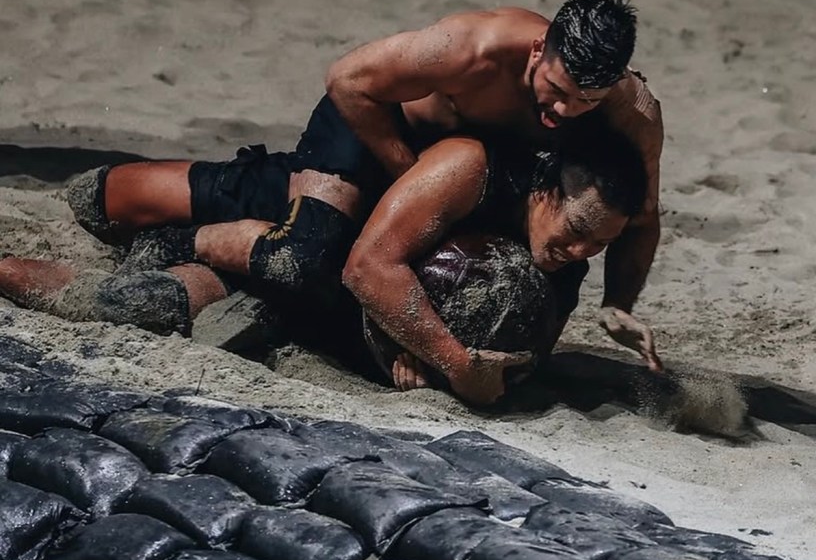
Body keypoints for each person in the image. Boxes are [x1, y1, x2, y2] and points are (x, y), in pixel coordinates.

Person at [0, 111, 646, 405]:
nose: (580, 251)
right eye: (577, 230)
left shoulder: (566, 260)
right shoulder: (470, 168)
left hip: (338, 304)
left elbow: (515, 362)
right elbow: (368, 266)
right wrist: (449, 358)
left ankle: (196, 261)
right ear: (545, 191)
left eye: (599, 243)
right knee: (100, 200)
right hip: (331, 228)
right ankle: (194, 238)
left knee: (142, 306)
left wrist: (424, 356)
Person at [326, 0, 664, 373]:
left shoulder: (633, 114)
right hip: (387, 132)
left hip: (473, 176)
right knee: (305, 259)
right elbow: (348, 81)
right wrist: (408, 176)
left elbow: (642, 215)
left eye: (586, 101)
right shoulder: (472, 49)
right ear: (538, 50)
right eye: (556, 89)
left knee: (546, 273)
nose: (564, 110)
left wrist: (617, 303)